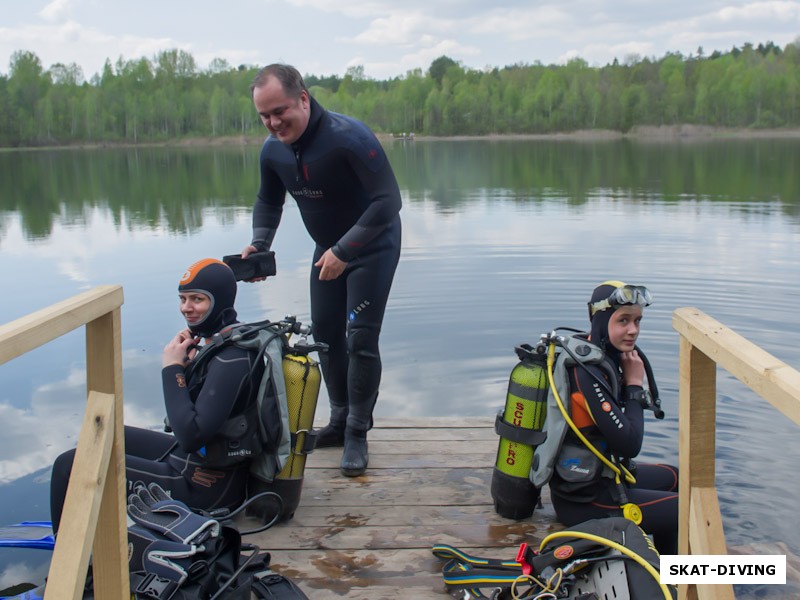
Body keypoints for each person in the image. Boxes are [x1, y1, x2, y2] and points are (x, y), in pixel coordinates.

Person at [242, 63, 402, 477]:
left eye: (280, 111)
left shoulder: (348, 138)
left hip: (372, 245)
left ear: (303, 99)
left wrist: (345, 250)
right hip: (327, 250)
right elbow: (268, 201)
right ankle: (338, 420)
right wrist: (260, 245)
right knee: (326, 335)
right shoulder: (272, 150)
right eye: (265, 115)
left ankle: (357, 433)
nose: (274, 122)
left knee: (360, 337)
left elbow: (388, 202)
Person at [50, 258, 269, 532]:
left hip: (206, 489)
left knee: (68, 465)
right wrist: (187, 368)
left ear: (221, 301)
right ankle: (96, 532)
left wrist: (172, 369)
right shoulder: (224, 343)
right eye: (183, 299)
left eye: (197, 299)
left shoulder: (233, 359)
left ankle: (71, 569)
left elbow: (190, 435)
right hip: (196, 463)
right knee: (103, 434)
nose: (186, 308)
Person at [536, 281, 678, 555]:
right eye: (623, 320)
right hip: (585, 501)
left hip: (606, 478)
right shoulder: (586, 372)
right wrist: (635, 386)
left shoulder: (606, 358)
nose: (633, 330)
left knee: (676, 477)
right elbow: (629, 444)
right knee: (684, 510)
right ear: (601, 320)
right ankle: (673, 581)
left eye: (637, 320)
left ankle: (668, 569)